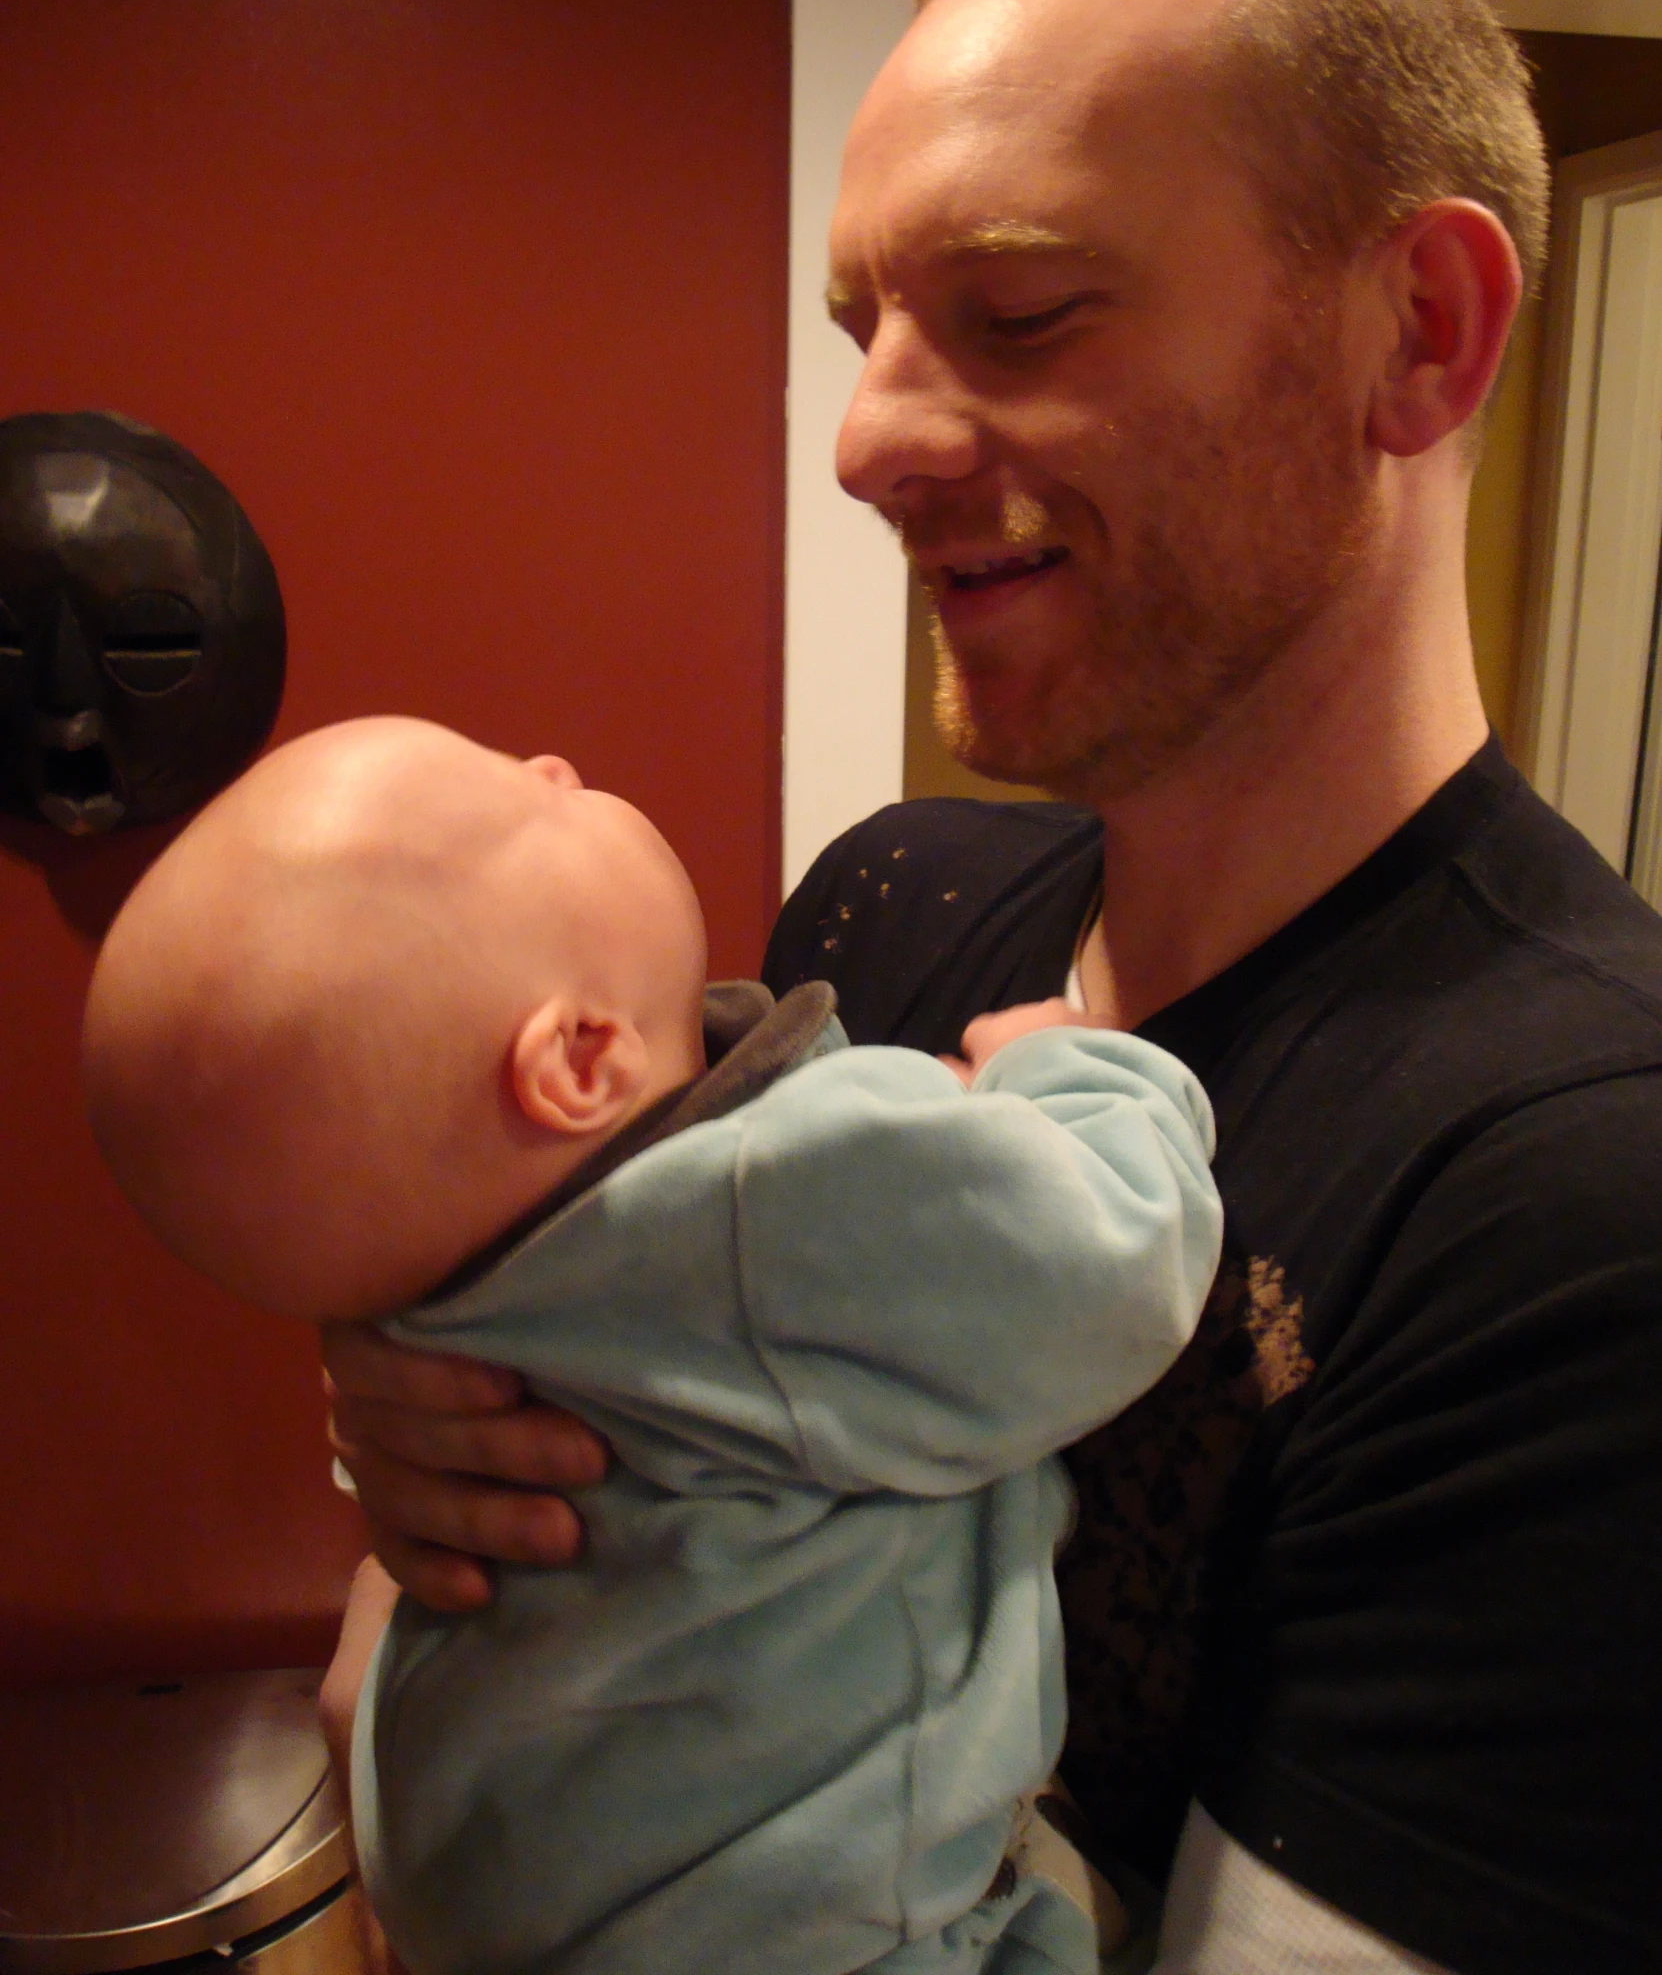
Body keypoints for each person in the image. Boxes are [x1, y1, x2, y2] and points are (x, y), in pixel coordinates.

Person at [320, 0, 1662, 1975]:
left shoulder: (1586, 1188)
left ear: (1420, 334)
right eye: (870, 330)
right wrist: (434, 1420)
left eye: (1023, 314)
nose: (865, 442)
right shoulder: (886, 903)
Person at [83, 713, 1223, 1975]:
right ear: (578, 1057)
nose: (553, 762)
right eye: (519, 802)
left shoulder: (446, 1286)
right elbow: (1115, 1257)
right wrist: (1083, 1075)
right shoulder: (768, 1208)